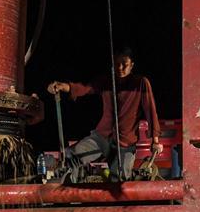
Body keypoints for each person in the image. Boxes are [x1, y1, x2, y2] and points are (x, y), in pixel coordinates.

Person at [47, 47, 163, 180]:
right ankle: (65, 192)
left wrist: (155, 140)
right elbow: (85, 88)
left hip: (125, 143)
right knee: (71, 155)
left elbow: (150, 110)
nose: (120, 67)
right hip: (101, 137)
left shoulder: (141, 83)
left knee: (119, 182)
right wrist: (63, 87)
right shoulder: (106, 81)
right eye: (116, 63)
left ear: (132, 65)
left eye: (124, 64)